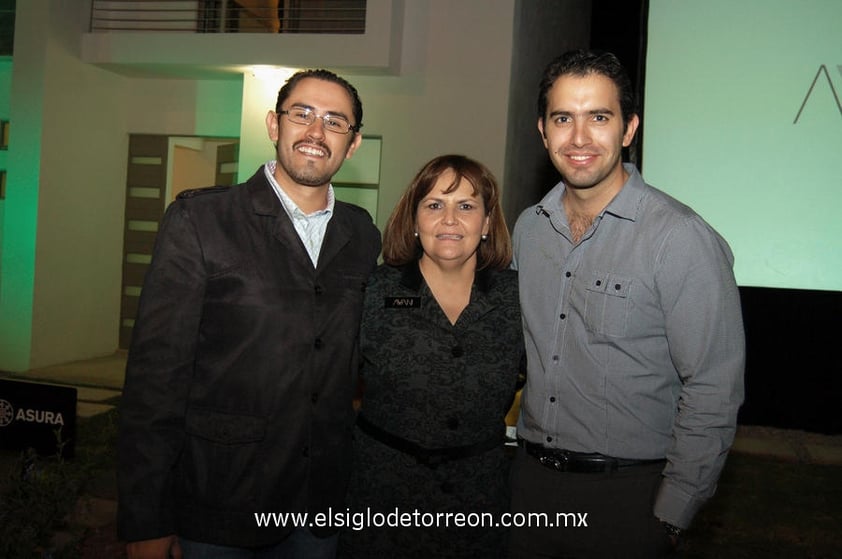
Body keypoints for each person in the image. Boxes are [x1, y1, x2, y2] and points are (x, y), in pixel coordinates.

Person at [117, 69, 381, 559]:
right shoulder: (200, 220)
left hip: (318, 508)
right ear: (273, 124)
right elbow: (155, 380)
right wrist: (146, 518)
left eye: (334, 121)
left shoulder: (361, 235)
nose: (315, 132)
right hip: (221, 501)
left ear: (354, 143)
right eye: (301, 114)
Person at [509, 50, 745, 558]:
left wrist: (673, 513)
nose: (579, 138)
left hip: (627, 499)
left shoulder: (679, 238)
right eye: (563, 118)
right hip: (528, 486)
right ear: (543, 131)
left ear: (629, 128)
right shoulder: (529, 229)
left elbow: (713, 386)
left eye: (599, 117)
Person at [340, 155, 524, 559]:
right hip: (381, 501)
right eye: (435, 204)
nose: (450, 220)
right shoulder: (371, 291)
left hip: (479, 505)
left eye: (467, 206)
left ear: (488, 223)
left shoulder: (519, 299)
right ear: (414, 218)